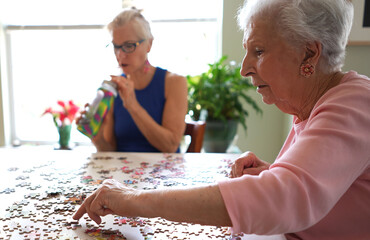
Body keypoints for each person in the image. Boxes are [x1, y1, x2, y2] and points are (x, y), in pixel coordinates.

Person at [74, 0, 370, 239]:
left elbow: (285, 199)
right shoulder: (313, 107)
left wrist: (134, 200)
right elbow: (316, 190)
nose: (244, 68)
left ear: (309, 54)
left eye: (259, 51)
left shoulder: (356, 103)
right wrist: (272, 172)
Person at [78, 8, 188, 153]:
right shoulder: (113, 88)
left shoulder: (174, 82)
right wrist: (97, 139)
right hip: (123, 174)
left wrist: (132, 105)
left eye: (128, 46)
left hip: (164, 173)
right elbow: (110, 152)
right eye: (115, 47)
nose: (120, 55)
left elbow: (170, 146)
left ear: (149, 44)